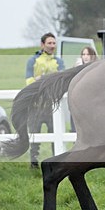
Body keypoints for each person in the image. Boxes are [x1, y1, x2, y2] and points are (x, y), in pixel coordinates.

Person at [25, 33, 65, 168]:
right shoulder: (32, 60)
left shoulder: (59, 62)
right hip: (36, 105)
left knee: (55, 134)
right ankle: (34, 163)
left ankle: (56, 161)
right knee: (35, 135)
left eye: (54, 43)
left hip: (52, 105)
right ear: (42, 45)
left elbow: (62, 81)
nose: (52, 46)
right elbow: (28, 81)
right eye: (49, 43)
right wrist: (40, 80)